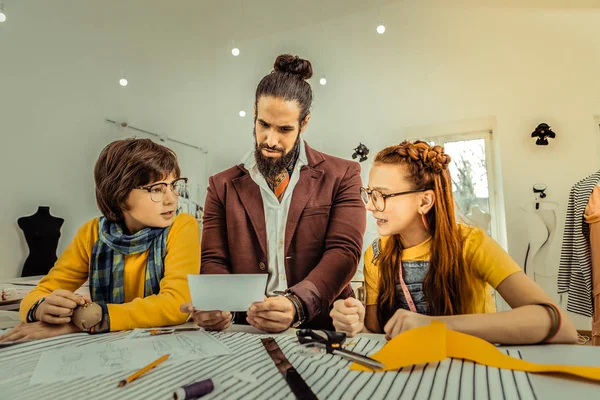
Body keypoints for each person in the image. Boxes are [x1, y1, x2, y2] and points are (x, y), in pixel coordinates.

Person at [182, 54, 366, 332]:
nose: (270, 140)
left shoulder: (342, 175)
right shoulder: (221, 185)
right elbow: (214, 259)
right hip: (246, 329)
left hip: (318, 327)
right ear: (254, 114)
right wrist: (220, 306)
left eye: (284, 129)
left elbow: (343, 252)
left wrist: (297, 304)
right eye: (263, 125)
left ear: (303, 124)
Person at [330, 140, 578, 344]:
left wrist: (434, 326)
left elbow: (560, 326)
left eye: (382, 195)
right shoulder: (376, 254)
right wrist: (356, 323)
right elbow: (376, 334)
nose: (370, 206)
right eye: (369, 193)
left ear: (425, 201)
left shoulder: (471, 243)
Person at [0, 138, 200, 343]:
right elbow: (40, 293)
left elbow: (178, 305)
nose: (172, 198)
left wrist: (89, 320)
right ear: (119, 194)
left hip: (163, 342)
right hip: (106, 344)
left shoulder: (182, 226)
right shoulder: (92, 232)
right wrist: (42, 308)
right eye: (157, 189)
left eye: (173, 185)